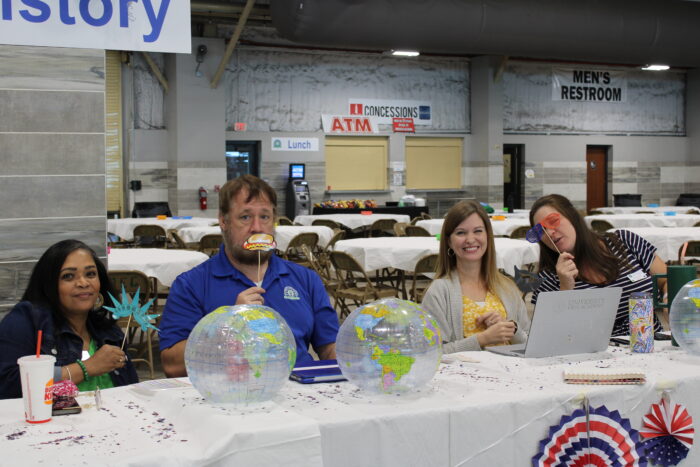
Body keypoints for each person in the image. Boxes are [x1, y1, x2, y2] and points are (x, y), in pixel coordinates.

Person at [159, 175, 339, 377]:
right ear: (223, 221)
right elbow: (172, 366)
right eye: (245, 217)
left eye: (264, 217)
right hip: (229, 398)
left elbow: (329, 348)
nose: (257, 228)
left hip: (299, 393)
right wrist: (229, 326)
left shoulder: (306, 279)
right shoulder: (191, 284)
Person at [0, 240, 138, 399]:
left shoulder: (109, 332)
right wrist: (85, 369)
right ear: (49, 283)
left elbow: (131, 391)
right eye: (68, 276)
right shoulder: (28, 320)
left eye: (90, 274)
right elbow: (7, 384)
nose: (83, 283)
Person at [529, 194, 667, 336]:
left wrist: (668, 297)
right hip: (598, 354)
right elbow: (548, 336)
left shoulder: (625, 242)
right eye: (540, 231)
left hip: (652, 345)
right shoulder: (548, 277)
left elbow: (667, 279)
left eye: (553, 221)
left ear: (572, 216)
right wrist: (565, 288)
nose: (550, 232)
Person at [421, 200, 530, 353]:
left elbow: (530, 343)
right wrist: (482, 339)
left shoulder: (507, 287)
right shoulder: (439, 292)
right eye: (461, 233)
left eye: (478, 231)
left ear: (487, 236)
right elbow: (431, 353)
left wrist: (510, 328)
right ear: (449, 242)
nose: (470, 239)